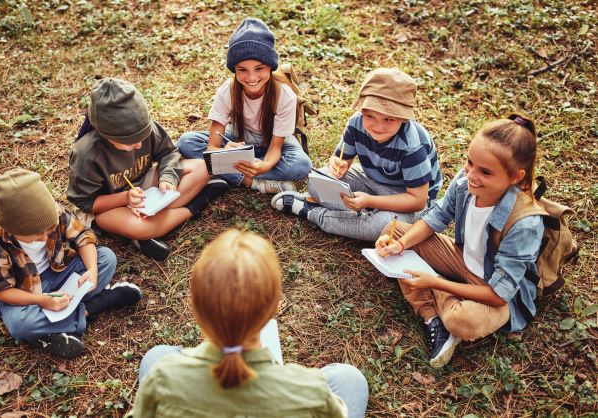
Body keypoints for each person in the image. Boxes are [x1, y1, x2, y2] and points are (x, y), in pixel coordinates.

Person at [130, 229, 369, 418]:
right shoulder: (312, 393)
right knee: (350, 380)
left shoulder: (163, 379)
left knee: (157, 355)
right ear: (273, 310)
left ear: (197, 311)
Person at [375, 114, 544, 368]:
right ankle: (433, 318)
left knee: (462, 320)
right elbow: (437, 217)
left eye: (485, 172)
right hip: (462, 260)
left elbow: (498, 295)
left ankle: (433, 298)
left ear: (515, 177)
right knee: (393, 231)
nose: (472, 175)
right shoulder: (465, 183)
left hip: (494, 288)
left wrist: (436, 283)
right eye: (469, 162)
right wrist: (400, 245)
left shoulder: (525, 223)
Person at [0, 169, 142, 359]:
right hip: (24, 292)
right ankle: (95, 306)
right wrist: (42, 301)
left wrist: (93, 270)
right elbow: (0, 290)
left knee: (106, 258)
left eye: (47, 229)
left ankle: (51, 329)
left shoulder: (54, 212)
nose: (44, 237)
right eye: (36, 235)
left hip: (60, 271)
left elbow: (83, 237)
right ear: (12, 229)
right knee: (20, 325)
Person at [272, 68, 442, 242]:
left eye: (388, 119)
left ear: (404, 118)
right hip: (370, 180)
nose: (378, 126)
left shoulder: (412, 146)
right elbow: (340, 160)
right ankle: (358, 212)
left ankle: (312, 212)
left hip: (407, 198)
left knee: (384, 227)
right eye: (370, 115)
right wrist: (336, 166)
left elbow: (418, 201)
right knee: (317, 181)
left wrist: (371, 201)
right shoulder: (356, 123)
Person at [67, 78, 228, 261]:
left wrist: (167, 178)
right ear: (105, 135)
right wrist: (125, 198)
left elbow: (169, 153)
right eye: (128, 142)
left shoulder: (148, 129)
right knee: (137, 226)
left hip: (144, 187)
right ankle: (193, 207)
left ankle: (153, 226)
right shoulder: (86, 154)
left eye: (141, 138)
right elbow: (85, 202)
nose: (137, 145)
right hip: (110, 206)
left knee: (201, 167)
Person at [177, 18, 312, 194]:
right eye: (242, 70)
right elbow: (212, 147)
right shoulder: (229, 90)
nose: (251, 77)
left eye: (259, 68)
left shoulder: (284, 95)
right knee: (186, 142)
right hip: (238, 137)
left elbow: (275, 148)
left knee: (301, 165)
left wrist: (264, 165)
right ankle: (254, 183)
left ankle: (233, 171)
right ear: (234, 69)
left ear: (270, 67)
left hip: (273, 141)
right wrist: (223, 151)